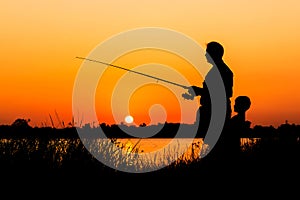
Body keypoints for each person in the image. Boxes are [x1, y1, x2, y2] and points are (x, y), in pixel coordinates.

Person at [185, 41, 234, 138]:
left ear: (214, 54)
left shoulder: (223, 71)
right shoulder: (215, 71)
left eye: (207, 52)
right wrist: (197, 92)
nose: (205, 55)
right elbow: (211, 92)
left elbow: (225, 93)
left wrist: (199, 91)